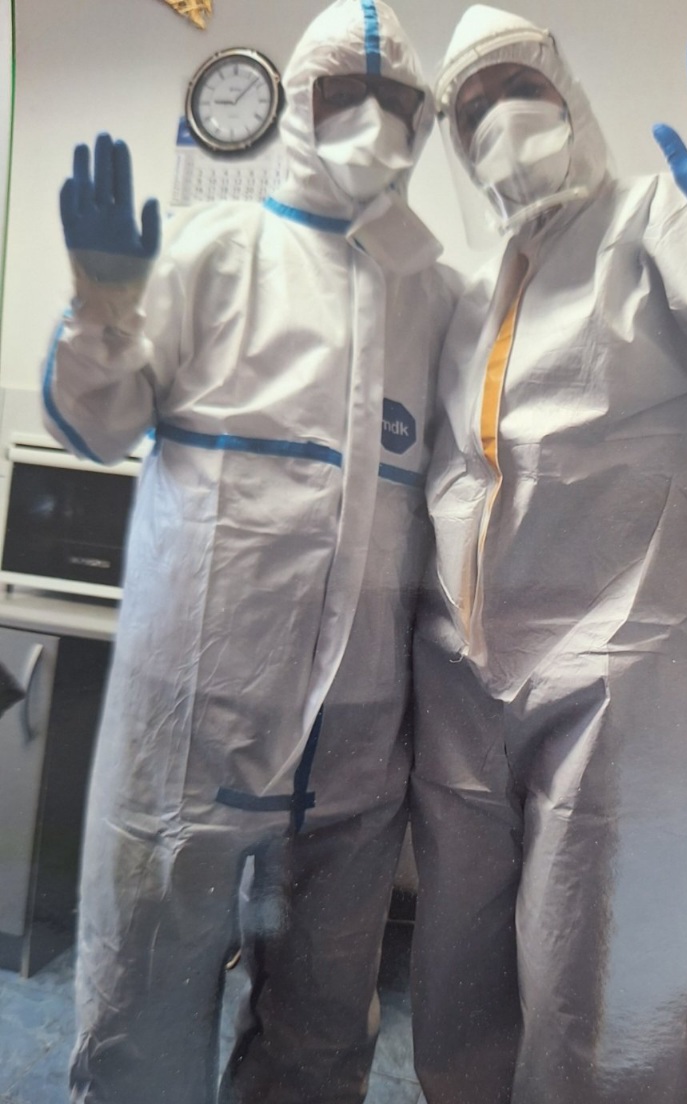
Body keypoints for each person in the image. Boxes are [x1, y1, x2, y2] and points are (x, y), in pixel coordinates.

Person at [410, 7, 687, 1104]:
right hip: (463, 677)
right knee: (457, 971)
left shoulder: (657, 220)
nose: (499, 121)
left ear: (566, 96)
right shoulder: (474, 285)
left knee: (597, 985)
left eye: (518, 88)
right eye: (471, 109)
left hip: (615, 680)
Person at [45, 3, 458, 1103]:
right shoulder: (211, 251)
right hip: (192, 726)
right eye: (344, 97)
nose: (372, 122)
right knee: (144, 1011)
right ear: (298, 107)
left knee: (321, 1030)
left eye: (396, 103)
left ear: (424, 123)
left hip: (356, 748)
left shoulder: (433, 293)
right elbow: (97, 425)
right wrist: (102, 310)